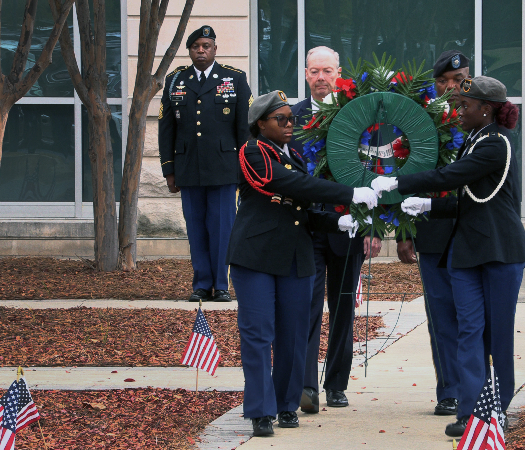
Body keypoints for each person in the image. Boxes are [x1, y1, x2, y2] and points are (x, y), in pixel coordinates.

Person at [371, 76, 525, 437]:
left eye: (464, 105)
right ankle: (471, 409)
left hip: (499, 250)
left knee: (498, 334)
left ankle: (497, 409)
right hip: (467, 250)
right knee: (469, 330)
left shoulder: (497, 143)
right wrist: (430, 205)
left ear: (485, 109)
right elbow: (468, 199)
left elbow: (456, 176)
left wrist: (400, 183)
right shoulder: (474, 140)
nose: (458, 111)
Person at [227, 91, 379, 437]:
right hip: (257, 255)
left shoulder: (292, 154)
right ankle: (261, 410)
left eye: (290, 118)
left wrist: (337, 222)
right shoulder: (253, 152)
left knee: (293, 333)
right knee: (258, 333)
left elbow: (302, 209)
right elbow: (286, 184)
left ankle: (285, 404)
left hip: (295, 254)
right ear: (260, 123)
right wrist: (347, 194)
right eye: (280, 119)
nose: (288, 124)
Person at [289, 46, 382, 413]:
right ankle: (307, 386)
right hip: (306, 229)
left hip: (349, 229)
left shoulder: (357, 115)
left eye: (327, 71)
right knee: (306, 308)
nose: (321, 78)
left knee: (343, 310)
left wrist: (374, 227)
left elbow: (377, 173)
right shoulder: (289, 118)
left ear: (338, 72)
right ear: (306, 74)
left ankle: (336, 384)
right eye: (314, 71)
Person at [394, 49, 471, 417]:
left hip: (475, 233)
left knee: (473, 317)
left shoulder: (484, 117)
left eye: (458, 81)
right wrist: (403, 233)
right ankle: (450, 390)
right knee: (442, 314)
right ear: (435, 84)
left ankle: (476, 387)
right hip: (435, 231)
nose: (452, 88)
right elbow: (406, 176)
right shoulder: (421, 120)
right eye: (444, 82)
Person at [158, 25, 251, 302]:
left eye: (206, 46)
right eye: (196, 46)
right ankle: (201, 283)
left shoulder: (234, 78)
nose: (201, 50)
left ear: (214, 49)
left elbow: (244, 128)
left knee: (222, 228)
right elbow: (166, 128)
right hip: (188, 168)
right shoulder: (176, 80)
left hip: (224, 169)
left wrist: (244, 169)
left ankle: (221, 285)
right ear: (189, 51)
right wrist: (169, 169)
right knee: (196, 228)